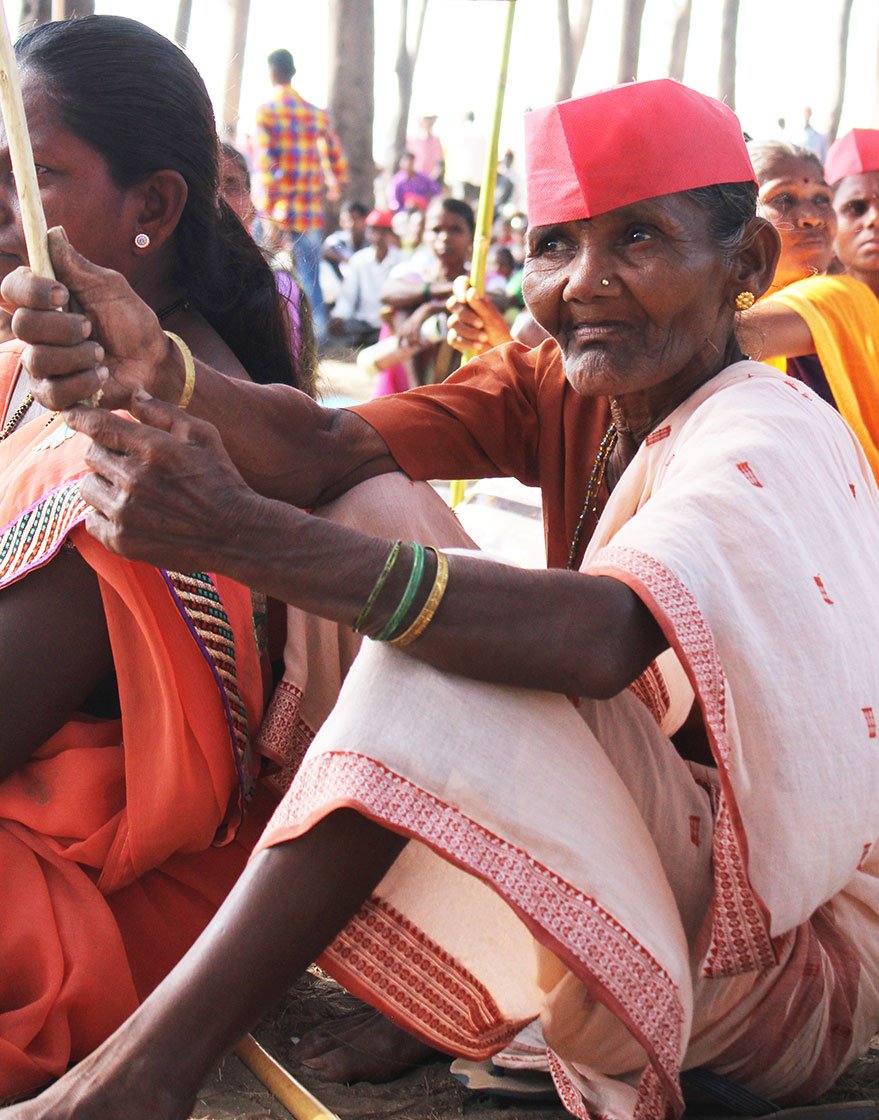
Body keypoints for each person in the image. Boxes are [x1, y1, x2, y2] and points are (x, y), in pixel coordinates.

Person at [4, 78, 879, 1120]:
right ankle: (438, 975)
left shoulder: (763, 427)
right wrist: (157, 361)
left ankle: (145, 1077)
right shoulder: (564, 377)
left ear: (745, 266)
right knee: (375, 504)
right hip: (627, 869)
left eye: (639, 241)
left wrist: (237, 534)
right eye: (555, 246)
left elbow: (600, 639)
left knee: (449, 643)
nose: (587, 284)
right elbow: (326, 444)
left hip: (773, 964)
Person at [0, 15, 308, 1100]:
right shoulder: (37, 365)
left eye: (34, 178)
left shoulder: (143, 439)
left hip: (81, 896)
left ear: (156, 208)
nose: (2, 210)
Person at [739, 139, 879, 479]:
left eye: (822, 199)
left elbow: (714, 338)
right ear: (741, 221)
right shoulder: (735, 307)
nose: (811, 217)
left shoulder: (840, 295)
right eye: (784, 199)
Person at [254, 47, 348, 347]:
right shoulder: (314, 113)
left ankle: (269, 333)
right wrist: (335, 185)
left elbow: (268, 167)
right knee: (311, 274)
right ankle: (316, 336)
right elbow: (336, 157)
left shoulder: (267, 111)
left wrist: (269, 212)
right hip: (309, 209)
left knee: (261, 270)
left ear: (272, 73)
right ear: (292, 73)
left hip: (280, 209)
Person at [219, 142, 311, 374]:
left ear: (251, 207)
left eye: (231, 185)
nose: (218, 198)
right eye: (206, 183)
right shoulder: (159, 275)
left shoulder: (276, 288)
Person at [328, 209, 402, 349]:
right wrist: (339, 316)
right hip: (364, 323)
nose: (379, 236)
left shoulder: (401, 259)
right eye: (374, 230)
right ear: (368, 232)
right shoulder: (359, 260)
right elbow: (348, 294)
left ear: (391, 234)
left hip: (390, 322)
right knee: (344, 329)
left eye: (383, 231)